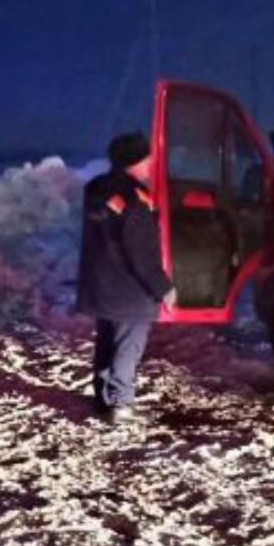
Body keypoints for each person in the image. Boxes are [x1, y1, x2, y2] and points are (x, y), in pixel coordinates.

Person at [76, 132, 176, 423]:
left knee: (106, 342)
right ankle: (121, 405)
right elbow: (142, 254)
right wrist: (164, 288)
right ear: (136, 161)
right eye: (148, 157)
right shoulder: (135, 201)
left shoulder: (97, 190)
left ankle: (104, 398)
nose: (152, 162)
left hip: (101, 286)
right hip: (128, 291)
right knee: (128, 346)